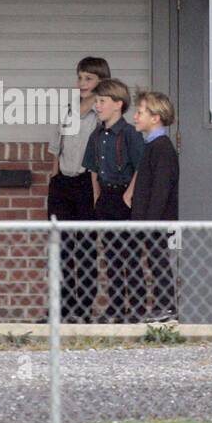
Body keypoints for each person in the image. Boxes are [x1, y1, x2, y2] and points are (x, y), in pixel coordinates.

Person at [46, 57, 107, 323]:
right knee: (61, 248)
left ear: (101, 81)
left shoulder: (102, 113)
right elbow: (55, 146)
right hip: (63, 182)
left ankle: (83, 310)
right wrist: (54, 176)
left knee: (84, 249)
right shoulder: (67, 109)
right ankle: (61, 308)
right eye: (80, 77)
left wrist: (96, 189)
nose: (82, 83)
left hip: (86, 183)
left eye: (89, 78)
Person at [82, 78, 144, 323]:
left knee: (129, 255)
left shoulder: (129, 133)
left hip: (124, 198)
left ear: (118, 105)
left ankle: (137, 309)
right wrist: (97, 193)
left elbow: (140, 166)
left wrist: (129, 193)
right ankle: (116, 308)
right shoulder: (97, 135)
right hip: (106, 197)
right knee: (111, 258)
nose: (98, 106)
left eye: (102, 101)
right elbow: (93, 167)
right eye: (96, 101)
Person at [130, 90, 179, 323]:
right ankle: (160, 307)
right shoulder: (151, 146)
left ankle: (167, 308)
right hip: (149, 219)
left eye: (140, 112)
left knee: (159, 262)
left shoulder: (162, 148)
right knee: (153, 261)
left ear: (155, 117)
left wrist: (151, 220)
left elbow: (160, 190)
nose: (135, 117)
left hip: (158, 220)